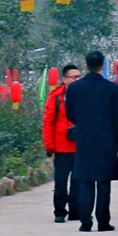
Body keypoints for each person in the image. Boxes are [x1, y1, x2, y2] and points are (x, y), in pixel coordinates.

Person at [62, 49, 118, 231]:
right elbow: (117, 117)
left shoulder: (74, 88)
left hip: (84, 139)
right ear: (103, 66)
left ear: (86, 66)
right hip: (106, 140)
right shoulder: (112, 89)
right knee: (104, 181)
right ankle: (103, 221)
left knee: (85, 181)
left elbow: (70, 114)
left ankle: (85, 222)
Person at [44, 64, 79, 223]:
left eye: (79, 77)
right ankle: (59, 211)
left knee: (78, 181)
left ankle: (75, 210)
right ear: (64, 79)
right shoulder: (56, 97)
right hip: (61, 146)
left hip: (80, 145)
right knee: (61, 181)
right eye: (73, 77)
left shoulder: (84, 95)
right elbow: (48, 122)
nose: (77, 80)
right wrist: (49, 145)